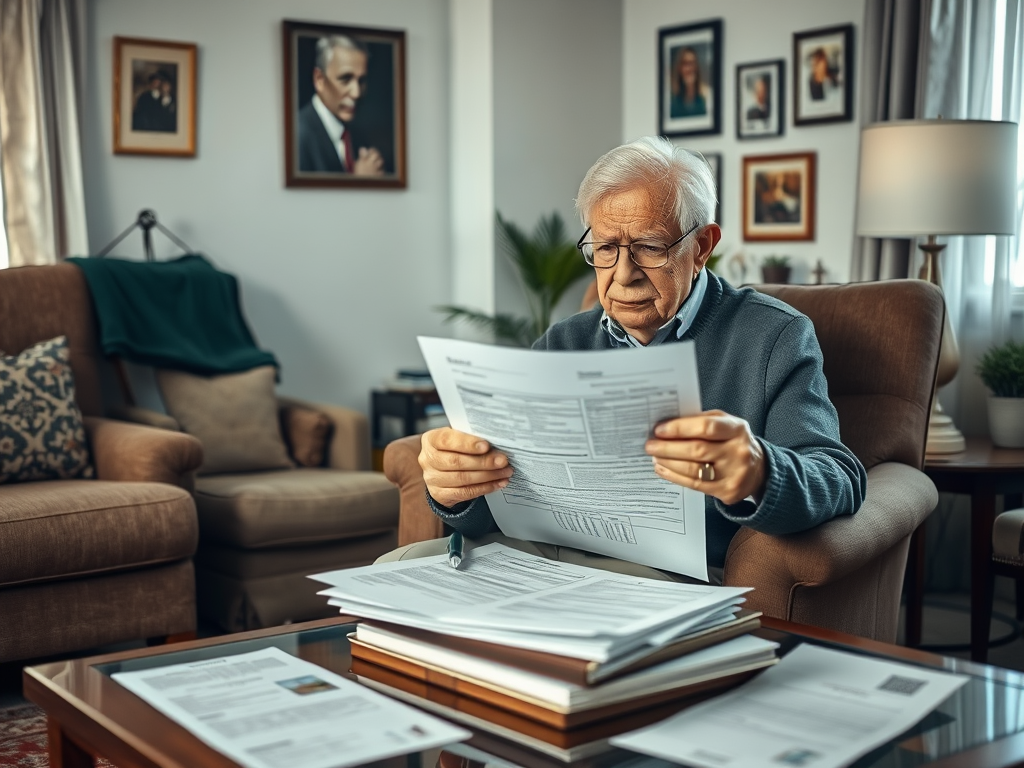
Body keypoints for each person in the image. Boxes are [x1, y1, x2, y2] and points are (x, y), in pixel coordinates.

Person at [386, 137, 866, 584]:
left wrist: (760, 472)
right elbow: (502, 500)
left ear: (701, 247)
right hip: (538, 563)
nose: (622, 275)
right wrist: (455, 490)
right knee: (393, 576)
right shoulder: (564, 342)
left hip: (658, 582)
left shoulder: (774, 336)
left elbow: (839, 477)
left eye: (650, 248)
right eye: (605, 249)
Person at [297, 35, 387, 175]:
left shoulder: (358, 137)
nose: (356, 93)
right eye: (345, 79)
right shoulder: (298, 136)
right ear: (319, 79)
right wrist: (359, 184)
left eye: (361, 80)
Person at [669, 47, 709, 119]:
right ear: (679, 68)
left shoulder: (706, 95)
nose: (689, 68)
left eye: (692, 63)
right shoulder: (671, 99)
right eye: (685, 63)